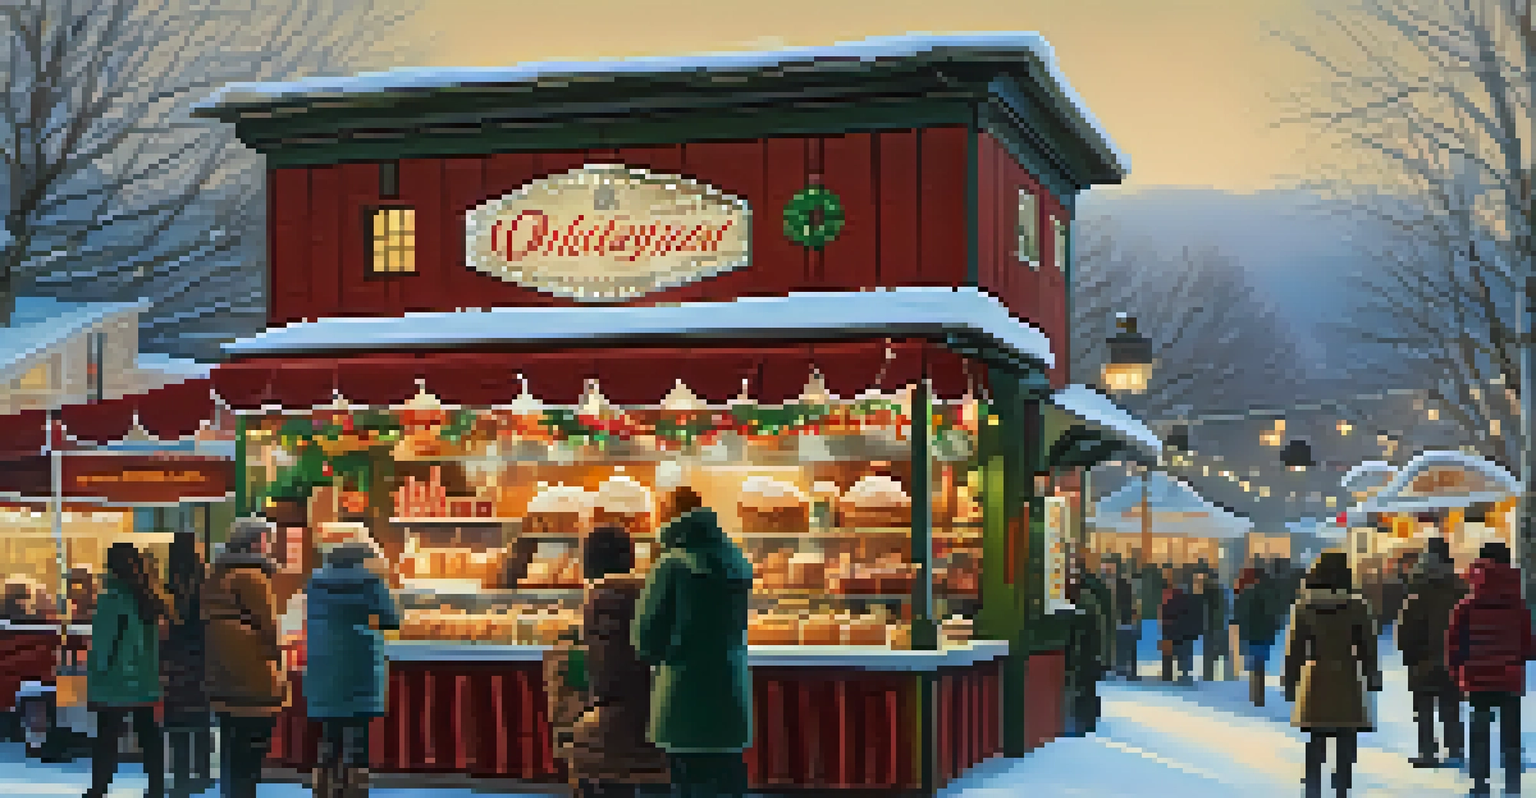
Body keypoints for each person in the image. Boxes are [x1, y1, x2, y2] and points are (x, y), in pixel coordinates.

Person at [634, 487, 754, 798]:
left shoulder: (671, 565)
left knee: (689, 783)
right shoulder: (734, 559)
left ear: (669, 514)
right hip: (730, 695)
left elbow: (646, 639)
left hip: (684, 701)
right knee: (727, 782)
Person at [557, 525, 670, 797]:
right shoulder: (657, 598)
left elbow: (590, 683)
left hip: (608, 740)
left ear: (587, 564)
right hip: (664, 734)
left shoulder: (596, 605)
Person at [305, 538, 401, 798]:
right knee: (358, 732)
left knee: (330, 732)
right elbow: (391, 620)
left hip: (323, 661)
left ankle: (323, 787)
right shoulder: (371, 582)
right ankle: (354, 790)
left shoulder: (315, 582)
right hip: (360, 659)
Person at [1283, 551, 1381, 798]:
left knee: (1316, 737)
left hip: (1315, 678)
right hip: (1347, 676)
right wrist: (1372, 677)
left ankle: (1313, 788)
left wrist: (1291, 683)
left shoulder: (1305, 606)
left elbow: (1295, 650)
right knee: (1346, 737)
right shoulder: (1357, 606)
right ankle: (1341, 789)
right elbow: (1368, 647)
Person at [204, 517, 290, 798]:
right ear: (255, 542)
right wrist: (278, 661)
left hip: (222, 675)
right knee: (252, 749)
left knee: (231, 746)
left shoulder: (215, 575)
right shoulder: (251, 576)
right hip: (252, 677)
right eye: (266, 539)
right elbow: (268, 625)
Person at [1446, 541, 1534, 798]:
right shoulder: (1518, 606)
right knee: (1511, 736)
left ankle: (1480, 784)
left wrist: (1457, 673)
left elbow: (1454, 644)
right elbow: (1528, 645)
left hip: (1477, 678)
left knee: (1479, 734)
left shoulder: (1467, 606)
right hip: (1508, 677)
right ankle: (1513, 786)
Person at [84, 542, 172, 798]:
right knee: (148, 734)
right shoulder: (148, 596)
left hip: (114, 678)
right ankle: (156, 787)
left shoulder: (111, 597)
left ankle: (99, 788)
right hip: (143, 678)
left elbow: (103, 642)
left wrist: (96, 672)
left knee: (106, 738)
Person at [1396, 537, 1466, 769]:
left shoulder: (1417, 590)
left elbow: (1405, 630)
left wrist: (1409, 655)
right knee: (1451, 705)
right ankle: (1455, 749)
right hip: (1453, 659)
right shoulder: (1459, 590)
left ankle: (1427, 751)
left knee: (1424, 707)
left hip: (1422, 660)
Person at [162, 531, 214, 798]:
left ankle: (181, 777)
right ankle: (203, 774)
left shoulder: (168, 587)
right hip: (202, 660)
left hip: (175, 661)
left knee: (179, 723)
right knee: (200, 718)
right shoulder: (206, 584)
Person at [1234, 566, 1282, 706]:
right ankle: (1259, 693)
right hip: (1265, 633)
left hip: (1251, 632)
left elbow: (1242, 614)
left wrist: (1242, 631)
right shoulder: (1271, 593)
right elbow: (1274, 613)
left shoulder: (1247, 593)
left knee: (1254, 662)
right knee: (1260, 662)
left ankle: (1255, 692)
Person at [1160, 576, 1199, 683]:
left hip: (1172, 631)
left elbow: (1165, 615)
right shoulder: (1190, 599)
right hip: (1184, 631)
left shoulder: (1168, 599)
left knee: (1171, 654)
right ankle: (1184, 675)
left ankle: (1168, 676)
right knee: (1184, 654)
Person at [1194, 568, 1228, 681]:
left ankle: (1209, 675)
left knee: (1209, 650)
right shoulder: (1220, 590)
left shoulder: (1208, 590)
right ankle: (1216, 674)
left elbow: (1202, 605)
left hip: (1210, 624)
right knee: (1215, 649)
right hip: (1218, 623)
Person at [1109, 557, 1141, 680]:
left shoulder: (1115, 586)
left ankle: (1122, 668)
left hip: (1121, 619)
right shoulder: (1130, 585)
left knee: (1121, 645)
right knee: (1130, 646)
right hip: (1128, 619)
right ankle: (1131, 670)